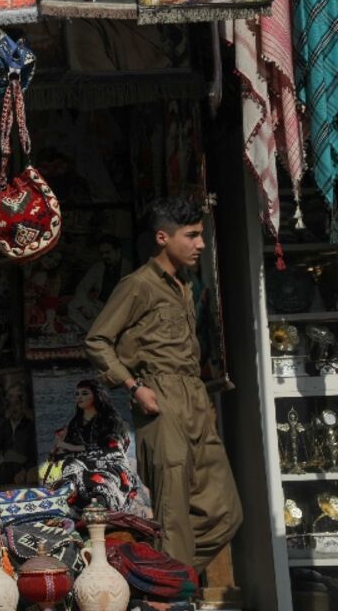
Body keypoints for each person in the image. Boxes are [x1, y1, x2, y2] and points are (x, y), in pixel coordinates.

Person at [85, 198, 241, 572]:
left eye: (201, 235)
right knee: (174, 513)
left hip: (194, 397)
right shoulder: (138, 285)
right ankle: (172, 591)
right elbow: (97, 340)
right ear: (162, 237)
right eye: (191, 236)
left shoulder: (183, 286)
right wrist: (133, 385)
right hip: (160, 395)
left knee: (225, 510)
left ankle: (158, 572)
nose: (200, 244)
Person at [50, 379, 142, 512]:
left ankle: (103, 508)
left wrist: (70, 447)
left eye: (84, 393)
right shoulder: (74, 423)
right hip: (81, 463)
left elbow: (112, 448)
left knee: (97, 483)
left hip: (110, 464)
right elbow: (63, 450)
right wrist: (57, 447)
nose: (79, 397)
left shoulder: (110, 420)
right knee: (69, 474)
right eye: (77, 394)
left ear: (96, 395)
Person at [69, 234, 130, 331]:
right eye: (102, 253)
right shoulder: (98, 267)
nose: (104, 256)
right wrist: (84, 304)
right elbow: (82, 288)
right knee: (73, 306)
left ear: (118, 251)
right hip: (100, 308)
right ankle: (94, 332)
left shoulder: (129, 268)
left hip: (120, 311)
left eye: (107, 252)